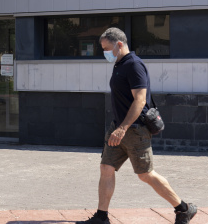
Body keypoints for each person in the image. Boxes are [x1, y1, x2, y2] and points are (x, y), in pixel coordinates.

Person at [76, 28, 197, 224]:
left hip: (134, 130)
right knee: (106, 168)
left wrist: (123, 128)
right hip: (118, 128)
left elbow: (140, 100)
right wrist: (118, 127)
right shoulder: (119, 65)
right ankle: (101, 216)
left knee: (145, 174)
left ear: (119, 44)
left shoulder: (134, 65)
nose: (105, 52)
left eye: (107, 48)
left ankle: (183, 209)